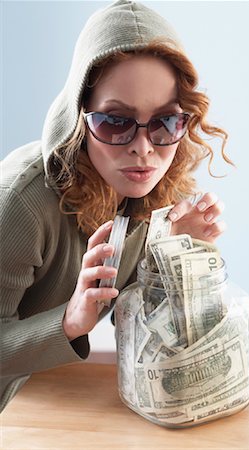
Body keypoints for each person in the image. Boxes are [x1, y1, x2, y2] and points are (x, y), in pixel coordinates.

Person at [0, 0, 233, 412]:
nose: (143, 149)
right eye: (115, 122)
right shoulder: (22, 202)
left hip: (54, 393)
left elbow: (136, 329)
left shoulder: (155, 194)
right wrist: (70, 321)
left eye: (165, 122)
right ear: (79, 117)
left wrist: (174, 259)